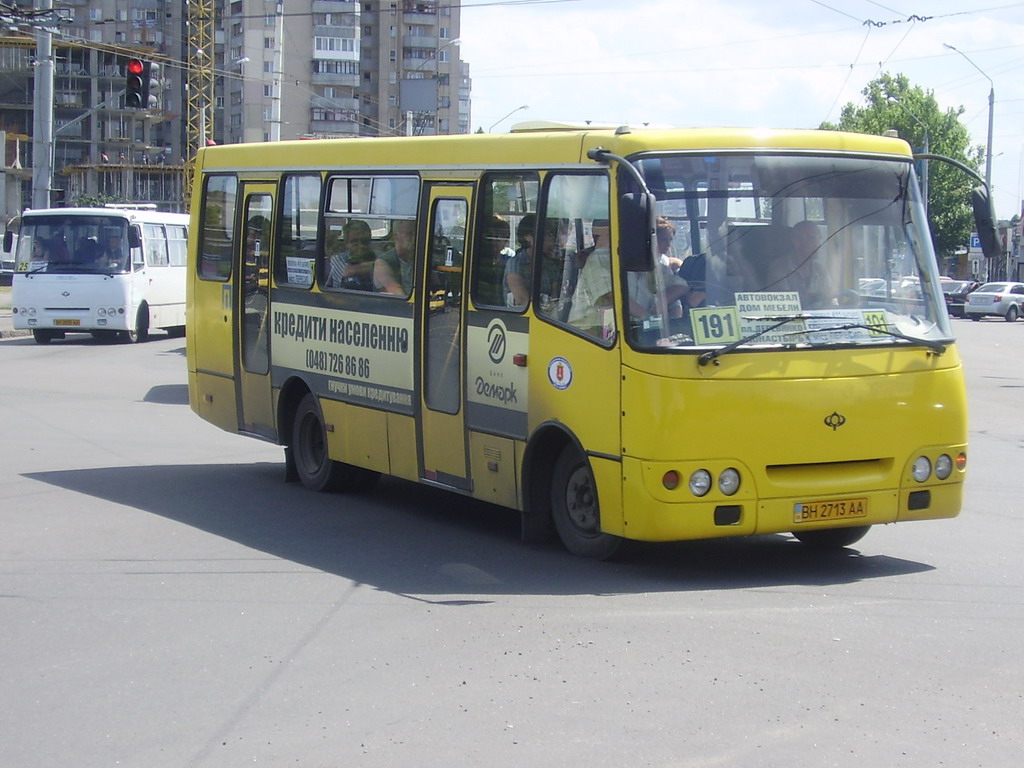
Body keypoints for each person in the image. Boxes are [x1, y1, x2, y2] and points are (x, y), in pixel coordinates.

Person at [568, 219, 615, 338]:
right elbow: (611, 296)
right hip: (587, 330)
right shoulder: (599, 257)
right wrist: (645, 315)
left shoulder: (618, 257)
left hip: (606, 325)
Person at [327, 219, 375, 290]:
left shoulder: (376, 257)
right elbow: (347, 273)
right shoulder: (339, 259)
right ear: (346, 243)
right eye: (355, 241)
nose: (361, 246)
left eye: (365, 241)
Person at [475, 214, 512, 306]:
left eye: (499, 238)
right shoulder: (478, 262)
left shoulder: (509, 262)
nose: (494, 242)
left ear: (506, 241)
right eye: (491, 237)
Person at [374, 219, 416, 295]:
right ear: (396, 237)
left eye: (416, 234)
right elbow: (396, 292)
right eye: (409, 234)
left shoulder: (418, 258)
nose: (414, 238)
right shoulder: (382, 263)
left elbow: (435, 284)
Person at [504, 214, 536, 307]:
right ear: (528, 237)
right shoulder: (515, 263)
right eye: (546, 234)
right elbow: (522, 300)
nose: (551, 239)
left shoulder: (549, 263)